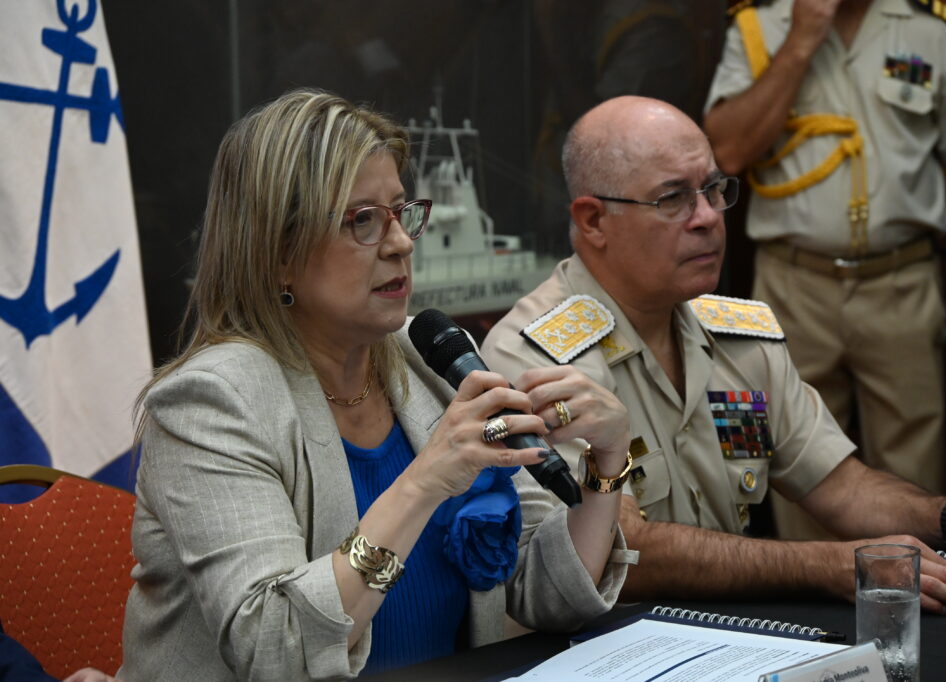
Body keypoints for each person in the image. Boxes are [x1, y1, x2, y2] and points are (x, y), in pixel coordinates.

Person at [119, 89, 635, 681]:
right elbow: (276, 648)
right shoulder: (211, 403)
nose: (401, 243)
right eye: (362, 220)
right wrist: (422, 483)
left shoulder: (429, 357)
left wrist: (607, 464)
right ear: (278, 253)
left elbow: (549, 593)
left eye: (399, 211)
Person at [480, 94, 946, 615]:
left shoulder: (739, 337)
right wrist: (827, 565)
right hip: (608, 644)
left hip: (737, 635)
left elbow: (842, 487)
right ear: (594, 221)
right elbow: (619, 548)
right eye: (673, 199)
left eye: (713, 190)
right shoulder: (536, 355)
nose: (707, 217)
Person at [702, 0, 946, 539]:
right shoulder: (757, 26)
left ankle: (916, 584)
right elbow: (725, 151)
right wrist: (803, 38)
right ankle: (813, 587)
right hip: (791, 282)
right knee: (791, 461)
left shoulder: (929, 29)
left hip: (899, 280)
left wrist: (905, 218)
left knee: (914, 468)